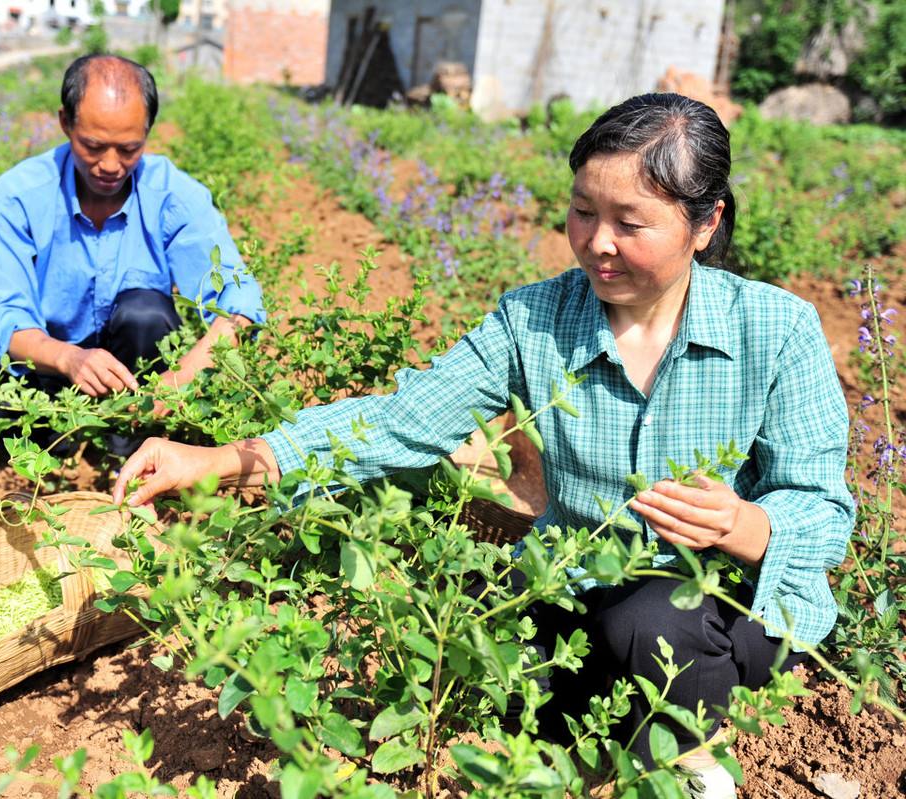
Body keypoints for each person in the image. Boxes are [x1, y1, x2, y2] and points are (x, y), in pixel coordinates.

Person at [111, 94, 853, 797]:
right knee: (485, 656)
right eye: (583, 211)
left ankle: (694, 763)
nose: (598, 242)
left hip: (727, 605)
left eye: (630, 222)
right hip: (577, 586)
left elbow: (824, 510)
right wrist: (227, 457)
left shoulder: (776, 330)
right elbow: (404, 419)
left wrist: (746, 525)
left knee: (652, 620)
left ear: (704, 222)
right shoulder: (536, 320)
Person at [0, 54, 265, 452]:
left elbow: (240, 305)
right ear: (66, 122)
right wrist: (69, 360)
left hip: (139, 376)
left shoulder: (173, 195)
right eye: (94, 146)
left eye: (129, 149)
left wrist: (179, 381)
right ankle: (61, 435)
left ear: (148, 132)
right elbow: (5, 316)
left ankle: (128, 440)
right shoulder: (18, 196)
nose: (111, 165)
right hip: (50, 358)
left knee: (146, 314)